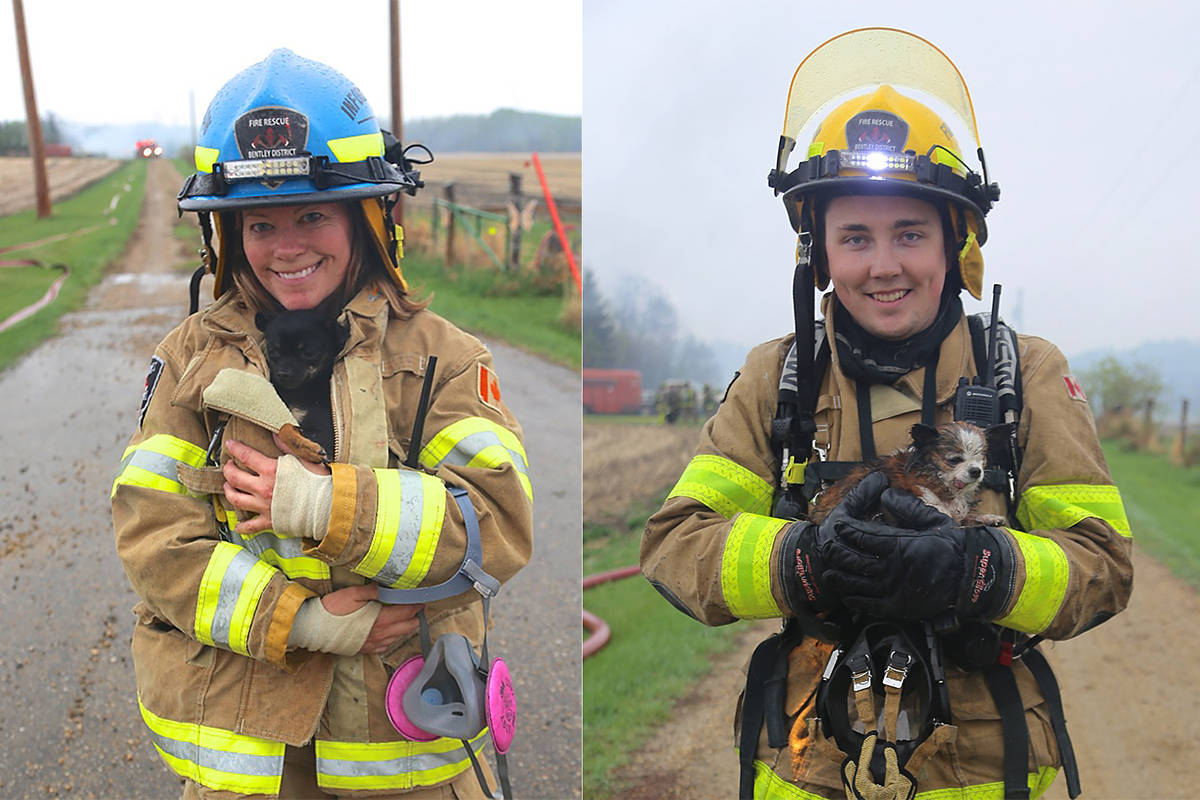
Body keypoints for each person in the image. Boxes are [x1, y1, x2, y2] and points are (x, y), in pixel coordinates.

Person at [641, 28, 1132, 800]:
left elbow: (1102, 566)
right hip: (806, 762)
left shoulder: (1024, 372)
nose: (883, 265)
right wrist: (802, 560)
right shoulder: (778, 377)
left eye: (910, 232)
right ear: (820, 252)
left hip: (983, 764)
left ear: (955, 244)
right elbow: (676, 547)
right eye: (855, 237)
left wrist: (981, 571)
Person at [111, 49, 533, 799]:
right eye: (260, 224)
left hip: (407, 762)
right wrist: (304, 623)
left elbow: (497, 528)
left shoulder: (445, 360)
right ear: (227, 237)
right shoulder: (188, 361)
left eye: (313, 214)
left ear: (368, 218)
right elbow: (154, 537)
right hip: (250, 765)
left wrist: (320, 503)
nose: (288, 246)